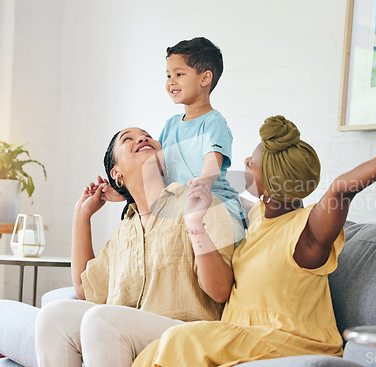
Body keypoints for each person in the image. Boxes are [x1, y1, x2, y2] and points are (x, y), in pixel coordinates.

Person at [129, 115, 376, 366]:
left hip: (291, 339)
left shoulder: (306, 234)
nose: (245, 164)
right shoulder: (258, 218)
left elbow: (340, 189)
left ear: (268, 184)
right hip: (242, 335)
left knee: (181, 341)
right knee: (157, 349)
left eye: (251, 163)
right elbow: (223, 181)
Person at [34, 127, 235, 367]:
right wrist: (82, 216)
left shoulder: (201, 203)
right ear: (116, 174)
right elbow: (84, 290)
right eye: (128, 139)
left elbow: (221, 291)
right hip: (127, 331)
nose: (142, 138)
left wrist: (195, 225)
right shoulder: (125, 230)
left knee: (102, 320)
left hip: (188, 334)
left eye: (147, 136)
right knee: (53, 317)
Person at [103, 37, 246, 243]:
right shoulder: (171, 125)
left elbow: (213, 161)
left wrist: (203, 183)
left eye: (179, 74)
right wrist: (124, 193)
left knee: (225, 243)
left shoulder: (214, 123)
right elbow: (155, 171)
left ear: (205, 79)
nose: (171, 81)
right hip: (184, 211)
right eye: (169, 75)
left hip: (217, 206)